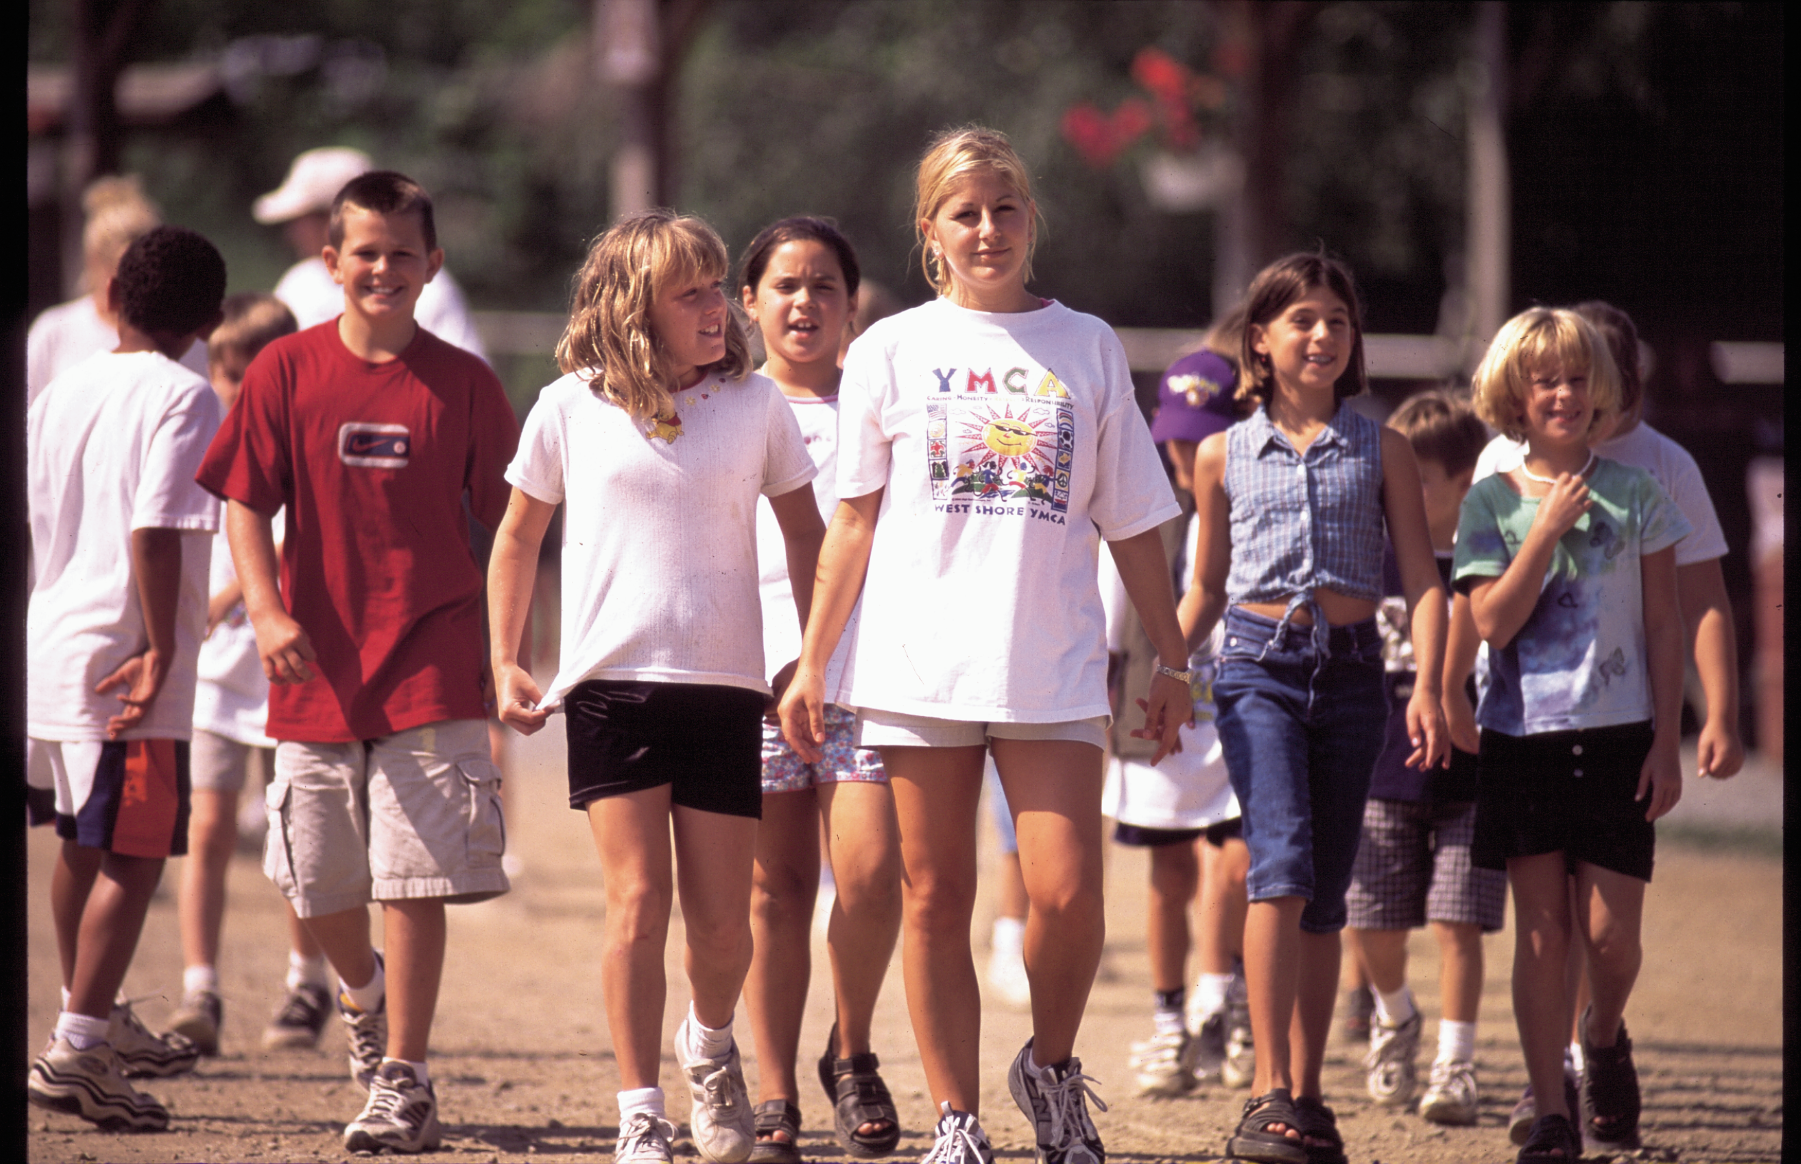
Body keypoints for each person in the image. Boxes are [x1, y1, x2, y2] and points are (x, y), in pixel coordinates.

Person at [779, 125, 1192, 1164]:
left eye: (1005, 207)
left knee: (1065, 895)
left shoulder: (1087, 344)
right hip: (919, 666)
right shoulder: (888, 349)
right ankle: (956, 1119)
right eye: (965, 212)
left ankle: (1050, 1070)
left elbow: (1135, 520)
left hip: (1050, 662)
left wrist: (1176, 659)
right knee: (937, 896)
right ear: (932, 231)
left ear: (1030, 217)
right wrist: (815, 661)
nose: (988, 228)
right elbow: (853, 524)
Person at [486, 209, 826, 1164]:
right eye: (693, 292)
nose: (718, 306)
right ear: (637, 306)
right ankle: (640, 1108)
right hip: (609, 688)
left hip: (726, 689)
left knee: (722, 927)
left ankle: (709, 1048)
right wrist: (505, 656)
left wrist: (807, 653)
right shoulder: (566, 405)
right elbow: (518, 536)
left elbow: (807, 535)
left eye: (720, 286)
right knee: (636, 904)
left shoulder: (759, 406)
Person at [197, 170, 518, 1155]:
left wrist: (510, 655)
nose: (384, 269)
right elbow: (244, 499)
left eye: (402, 253)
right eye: (365, 253)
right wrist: (264, 607)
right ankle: (363, 998)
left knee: (412, 881)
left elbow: (515, 521)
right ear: (329, 262)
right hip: (316, 670)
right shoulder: (284, 371)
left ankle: (404, 1077)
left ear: (433, 264)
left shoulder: (465, 382)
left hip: (432, 660)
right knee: (316, 880)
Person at [1179, 252, 1449, 1164]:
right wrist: (1163, 672)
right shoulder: (1221, 453)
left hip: (1352, 676)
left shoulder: (1385, 447)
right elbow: (1204, 586)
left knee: (1325, 891)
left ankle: (1306, 1092)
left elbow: (1420, 578)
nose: (1322, 334)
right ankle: (1264, 1092)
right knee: (1280, 865)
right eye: (1301, 319)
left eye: (1337, 319)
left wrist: (1440, 688)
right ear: (1260, 339)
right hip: (1256, 668)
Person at [1455, 300, 1745, 1147]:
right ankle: (1550, 1109)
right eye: (1545, 381)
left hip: (1620, 737)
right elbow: (1490, 624)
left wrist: (1668, 735)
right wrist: (1542, 529)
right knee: (1542, 934)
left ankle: (1601, 1036)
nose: (1564, 395)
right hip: (1522, 739)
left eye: (1578, 379)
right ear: (1514, 394)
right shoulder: (1488, 501)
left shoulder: (1641, 493)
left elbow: (1665, 623)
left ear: (1606, 390)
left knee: (1610, 940)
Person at [26, 225, 227, 1130]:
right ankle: (74, 1051)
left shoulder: (63, 387)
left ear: (111, 293)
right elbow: (154, 528)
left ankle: (92, 1020)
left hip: (56, 642)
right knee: (136, 853)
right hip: (124, 662)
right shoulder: (186, 394)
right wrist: (160, 647)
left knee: (81, 840)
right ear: (213, 319)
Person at [735, 216, 904, 1163]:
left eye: (824, 287)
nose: (804, 304)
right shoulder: (719, 405)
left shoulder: (880, 414)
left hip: (867, 675)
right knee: (776, 890)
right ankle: (772, 1093)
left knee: (874, 876)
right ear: (748, 301)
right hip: (751, 677)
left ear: (852, 304)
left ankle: (850, 1050)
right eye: (785, 286)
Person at [165, 292, 333, 1059]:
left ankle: (307, 979)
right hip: (213, 677)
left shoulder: (301, 436)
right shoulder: (196, 427)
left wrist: (233, 593)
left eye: (244, 372)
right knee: (204, 827)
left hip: (286, 673)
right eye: (222, 370)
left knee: (298, 835)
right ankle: (200, 986)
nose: (230, 387)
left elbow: (292, 540)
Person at [1341, 390, 1507, 1126]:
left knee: (1456, 925)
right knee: (1372, 923)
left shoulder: (1492, 562)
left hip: (1473, 778)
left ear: (1466, 482)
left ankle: (1455, 1061)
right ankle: (1395, 1016)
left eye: (1418, 480)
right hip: (1380, 774)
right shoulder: (1371, 558)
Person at [1110, 340, 1253, 1098]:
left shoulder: (1251, 503)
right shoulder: (1143, 513)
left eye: (1200, 436)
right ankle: (1170, 1022)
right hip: (1156, 720)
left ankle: (1222, 1001)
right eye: (1172, 433)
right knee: (1168, 874)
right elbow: (1108, 622)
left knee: (1239, 863)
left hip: (1241, 718)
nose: (1183, 450)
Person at [254, 146, 489, 360]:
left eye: (302, 219)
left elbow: (468, 386)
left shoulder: (426, 287)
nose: (292, 233)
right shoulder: (299, 284)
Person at [26, 175, 209, 407]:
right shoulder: (53, 331)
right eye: (125, 273)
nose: (138, 284)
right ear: (93, 262)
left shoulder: (187, 339)